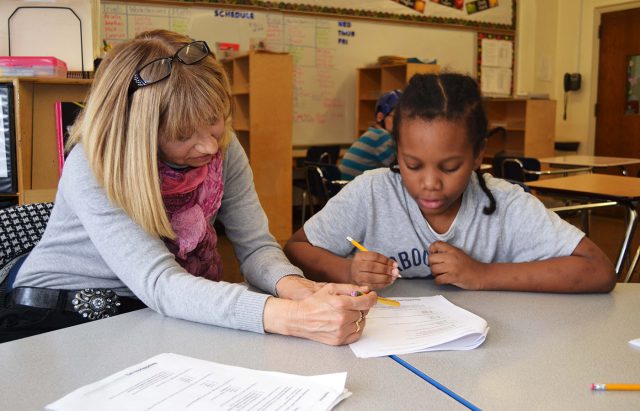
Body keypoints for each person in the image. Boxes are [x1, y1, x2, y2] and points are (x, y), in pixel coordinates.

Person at [0, 30, 376, 344]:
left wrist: (296, 287)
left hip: (149, 310)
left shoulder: (223, 148)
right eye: (183, 135)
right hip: (56, 317)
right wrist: (292, 318)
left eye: (214, 121)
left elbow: (256, 246)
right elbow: (161, 282)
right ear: (140, 133)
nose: (210, 146)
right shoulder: (95, 164)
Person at [285, 73, 617, 293]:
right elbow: (296, 248)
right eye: (412, 164)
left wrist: (483, 275)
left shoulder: (504, 204)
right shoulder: (372, 193)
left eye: (450, 166)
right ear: (397, 151)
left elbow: (599, 270)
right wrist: (346, 271)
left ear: (477, 155)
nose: (430, 183)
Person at [338, 89, 401, 180]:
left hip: (346, 186)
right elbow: (398, 168)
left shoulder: (372, 133)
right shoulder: (381, 137)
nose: (399, 122)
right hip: (356, 189)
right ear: (380, 117)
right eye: (395, 117)